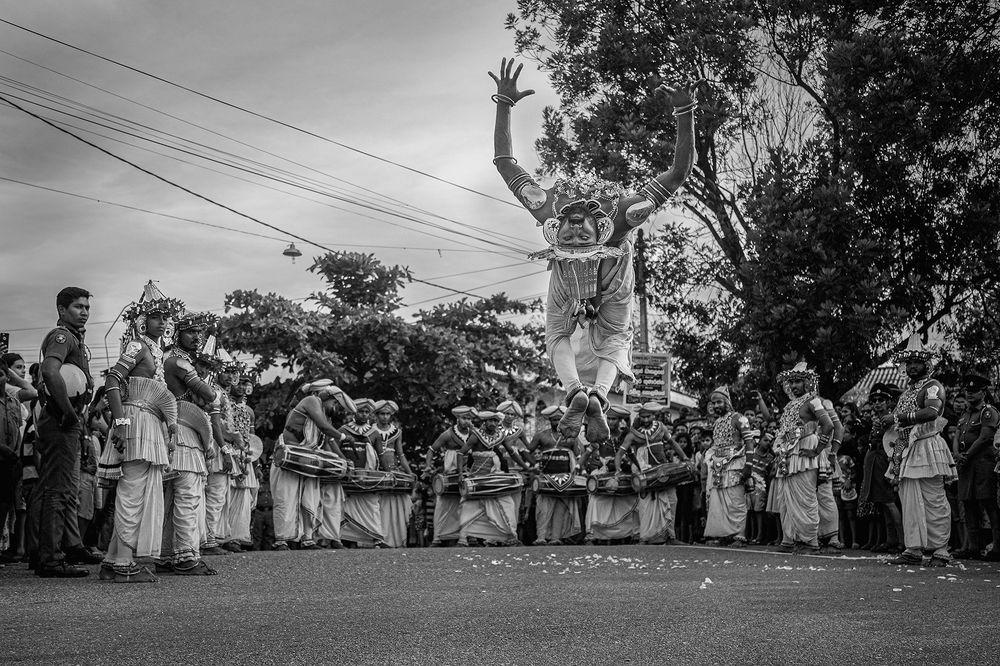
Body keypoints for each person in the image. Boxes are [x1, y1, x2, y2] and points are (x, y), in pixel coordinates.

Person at [489, 57, 698, 443]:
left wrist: (685, 111)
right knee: (562, 337)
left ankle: (592, 394)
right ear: (555, 222)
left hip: (614, 281)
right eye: (565, 226)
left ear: (598, 222)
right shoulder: (546, 207)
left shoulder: (621, 215)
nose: (571, 231)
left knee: (607, 339)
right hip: (567, 284)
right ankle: (584, 395)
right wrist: (503, 103)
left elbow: (679, 172)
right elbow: (504, 164)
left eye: (579, 225)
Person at [36, 286, 100, 577]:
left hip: (70, 422)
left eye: (87, 307)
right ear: (62, 310)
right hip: (60, 420)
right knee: (58, 490)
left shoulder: (75, 338)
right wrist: (69, 413)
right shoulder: (61, 337)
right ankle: (50, 559)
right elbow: (50, 372)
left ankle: (71, 544)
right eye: (77, 306)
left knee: (67, 489)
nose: (84, 312)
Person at [883, 335, 956, 567]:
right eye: (909, 362)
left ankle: (941, 550)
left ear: (927, 364)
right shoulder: (907, 392)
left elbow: (932, 413)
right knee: (909, 498)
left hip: (928, 446)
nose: (912, 365)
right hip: (907, 448)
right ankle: (913, 549)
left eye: (917, 361)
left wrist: (896, 417)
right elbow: (900, 423)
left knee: (933, 498)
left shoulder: (932, 386)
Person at [160, 310, 218, 576]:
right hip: (183, 431)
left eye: (200, 332)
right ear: (177, 332)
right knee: (187, 495)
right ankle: (185, 557)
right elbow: (209, 395)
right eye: (191, 331)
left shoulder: (172, 358)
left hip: (176, 429)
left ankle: (166, 555)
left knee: (172, 498)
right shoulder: (178, 361)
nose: (197, 337)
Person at [271, 380, 353, 550]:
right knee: (286, 499)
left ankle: (307, 539)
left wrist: (343, 460)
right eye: (336, 404)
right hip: (290, 454)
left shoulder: (324, 413)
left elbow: (329, 440)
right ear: (330, 398)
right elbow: (324, 428)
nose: (336, 409)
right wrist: (344, 437)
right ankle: (281, 541)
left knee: (310, 499)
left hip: (308, 459)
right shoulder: (312, 401)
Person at [772, 362, 834, 554]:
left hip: (806, 450)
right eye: (791, 382)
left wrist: (817, 451)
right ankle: (789, 539)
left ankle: (811, 542)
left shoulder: (813, 401)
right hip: (788, 454)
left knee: (805, 497)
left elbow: (829, 425)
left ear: (808, 383)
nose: (794, 386)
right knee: (786, 498)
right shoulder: (789, 405)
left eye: (798, 381)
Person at [615, 402, 690, 545]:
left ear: (653, 415)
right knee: (645, 506)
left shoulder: (661, 428)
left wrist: (685, 458)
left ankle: (670, 537)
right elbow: (620, 453)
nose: (645, 420)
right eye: (642, 417)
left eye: (648, 416)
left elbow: (673, 443)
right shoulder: (633, 435)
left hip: (664, 471)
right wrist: (618, 469)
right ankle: (645, 537)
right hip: (646, 474)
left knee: (671, 501)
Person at [953, 371, 1000, 560]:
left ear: (983, 391)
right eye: (967, 390)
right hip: (966, 465)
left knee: (988, 503)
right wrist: (956, 454)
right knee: (968, 504)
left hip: (982, 464)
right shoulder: (965, 414)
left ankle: (997, 547)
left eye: (974, 391)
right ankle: (973, 547)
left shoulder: (988, 412)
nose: (969, 394)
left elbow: (985, 437)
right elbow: (957, 435)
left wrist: (966, 455)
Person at [457, 411, 519, 547]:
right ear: (484, 422)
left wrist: (526, 467)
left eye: (496, 421)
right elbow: (461, 453)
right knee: (468, 506)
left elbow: (512, 453)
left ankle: (508, 535)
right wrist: (461, 473)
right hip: (477, 476)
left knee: (507, 503)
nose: (493, 423)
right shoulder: (476, 436)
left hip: (495, 476)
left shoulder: (499, 436)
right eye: (490, 421)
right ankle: (463, 538)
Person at [580, 404, 639, 544]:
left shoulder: (625, 437)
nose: (611, 422)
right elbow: (587, 453)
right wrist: (580, 468)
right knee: (596, 500)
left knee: (628, 499)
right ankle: (593, 534)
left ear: (620, 421)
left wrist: (637, 468)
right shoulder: (600, 435)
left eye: (614, 419)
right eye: (609, 419)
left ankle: (631, 533)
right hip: (603, 473)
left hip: (621, 473)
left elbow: (630, 454)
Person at [858, 383, 904, 553]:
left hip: (886, 464)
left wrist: (893, 468)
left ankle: (902, 541)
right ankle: (890, 540)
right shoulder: (876, 419)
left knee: (890, 503)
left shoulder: (892, 419)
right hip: (875, 464)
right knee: (883, 505)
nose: (877, 403)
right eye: (874, 400)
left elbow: (895, 445)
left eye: (882, 400)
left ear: (889, 402)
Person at [703, 386, 751, 547]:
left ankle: (739, 536)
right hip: (718, 466)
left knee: (735, 500)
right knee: (719, 500)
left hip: (735, 464)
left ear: (727, 402)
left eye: (719, 402)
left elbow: (750, 442)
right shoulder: (717, 422)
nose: (716, 406)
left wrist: (748, 466)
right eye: (713, 403)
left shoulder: (739, 418)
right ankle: (724, 534)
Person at [424, 406, 476, 547]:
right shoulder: (448, 434)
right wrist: (428, 466)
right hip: (451, 474)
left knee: (467, 505)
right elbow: (431, 450)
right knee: (442, 506)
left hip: (468, 473)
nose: (467, 421)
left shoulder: (474, 433)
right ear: (457, 419)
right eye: (464, 418)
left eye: (469, 418)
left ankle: (465, 538)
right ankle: (437, 538)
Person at [339, 397, 384, 549]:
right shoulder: (343, 431)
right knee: (345, 507)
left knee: (372, 507)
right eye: (360, 411)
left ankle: (375, 539)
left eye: (367, 412)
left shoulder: (374, 433)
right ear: (354, 412)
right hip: (347, 478)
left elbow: (380, 455)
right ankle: (346, 539)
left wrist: (388, 473)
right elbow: (335, 451)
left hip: (368, 478)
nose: (364, 414)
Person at [222, 371, 259, 553]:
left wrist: (256, 464)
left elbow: (252, 437)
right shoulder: (224, 403)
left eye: (246, 384)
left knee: (243, 497)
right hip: (228, 451)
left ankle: (235, 538)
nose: (243, 388)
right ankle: (221, 536)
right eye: (240, 383)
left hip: (245, 456)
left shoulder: (249, 411)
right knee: (225, 494)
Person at [532, 411, 582, 545]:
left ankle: (555, 538)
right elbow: (528, 450)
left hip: (565, 478)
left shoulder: (572, 437)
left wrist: (577, 469)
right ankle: (541, 537)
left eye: (560, 419)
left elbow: (578, 456)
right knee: (543, 509)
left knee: (561, 508)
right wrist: (533, 465)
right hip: (546, 477)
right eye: (554, 420)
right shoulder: (541, 436)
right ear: (550, 420)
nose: (557, 422)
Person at [369, 400, 412, 548]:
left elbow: (400, 454)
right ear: (376, 415)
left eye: (388, 414)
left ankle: (392, 539)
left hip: (393, 471)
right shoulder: (370, 430)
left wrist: (409, 472)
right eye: (382, 413)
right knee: (375, 506)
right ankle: (375, 538)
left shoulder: (397, 432)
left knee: (395, 506)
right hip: (375, 471)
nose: (385, 417)